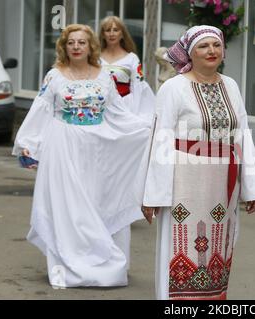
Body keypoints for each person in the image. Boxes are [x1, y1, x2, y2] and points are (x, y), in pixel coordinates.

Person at [12, 24, 152, 288]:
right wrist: (29, 143)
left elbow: (117, 112)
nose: (76, 47)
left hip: (98, 149)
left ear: (90, 47)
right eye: (71, 43)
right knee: (68, 208)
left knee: (95, 204)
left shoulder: (103, 76)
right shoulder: (54, 76)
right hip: (62, 148)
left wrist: (146, 128)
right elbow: (41, 110)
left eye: (81, 43)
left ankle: (101, 262)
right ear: (64, 47)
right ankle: (67, 263)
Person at [141, 25, 255, 300]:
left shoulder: (230, 85)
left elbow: (242, 135)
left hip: (222, 184)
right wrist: (153, 195)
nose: (211, 51)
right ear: (189, 53)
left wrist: (252, 187)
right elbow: (160, 141)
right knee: (181, 248)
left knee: (219, 250)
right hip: (184, 182)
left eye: (216, 45)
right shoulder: (174, 87)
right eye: (203, 46)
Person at [99, 16, 155, 123]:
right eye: (108, 30)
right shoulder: (95, 58)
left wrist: (133, 114)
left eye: (115, 30)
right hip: (100, 108)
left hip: (125, 107)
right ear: (103, 34)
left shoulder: (132, 59)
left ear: (122, 33)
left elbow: (139, 87)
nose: (112, 34)